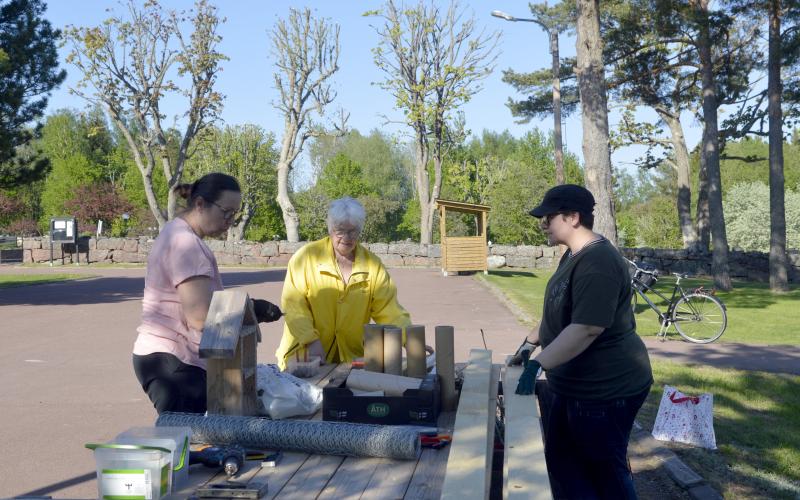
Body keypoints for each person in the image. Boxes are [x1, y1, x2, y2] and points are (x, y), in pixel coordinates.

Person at [508, 184, 653, 499]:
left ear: (573, 217)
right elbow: (557, 315)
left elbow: (587, 328)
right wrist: (528, 343)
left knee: (604, 472)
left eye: (548, 217)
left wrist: (537, 365)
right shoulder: (573, 256)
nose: (542, 224)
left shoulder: (598, 262)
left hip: (605, 391)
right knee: (564, 463)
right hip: (575, 387)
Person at [132, 173, 282, 414]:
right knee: (186, 443)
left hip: (164, 358)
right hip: (176, 361)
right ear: (200, 204)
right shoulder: (186, 244)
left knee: (183, 441)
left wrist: (250, 307)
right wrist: (248, 309)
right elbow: (201, 317)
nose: (230, 220)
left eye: (235, 214)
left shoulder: (176, 232)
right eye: (226, 212)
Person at [275, 197, 411, 371]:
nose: (347, 237)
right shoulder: (305, 258)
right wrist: (310, 340)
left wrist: (409, 338)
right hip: (304, 357)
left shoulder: (373, 265)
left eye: (353, 231)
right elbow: (293, 306)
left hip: (351, 359)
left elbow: (389, 310)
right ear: (330, 229)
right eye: (340, 231)